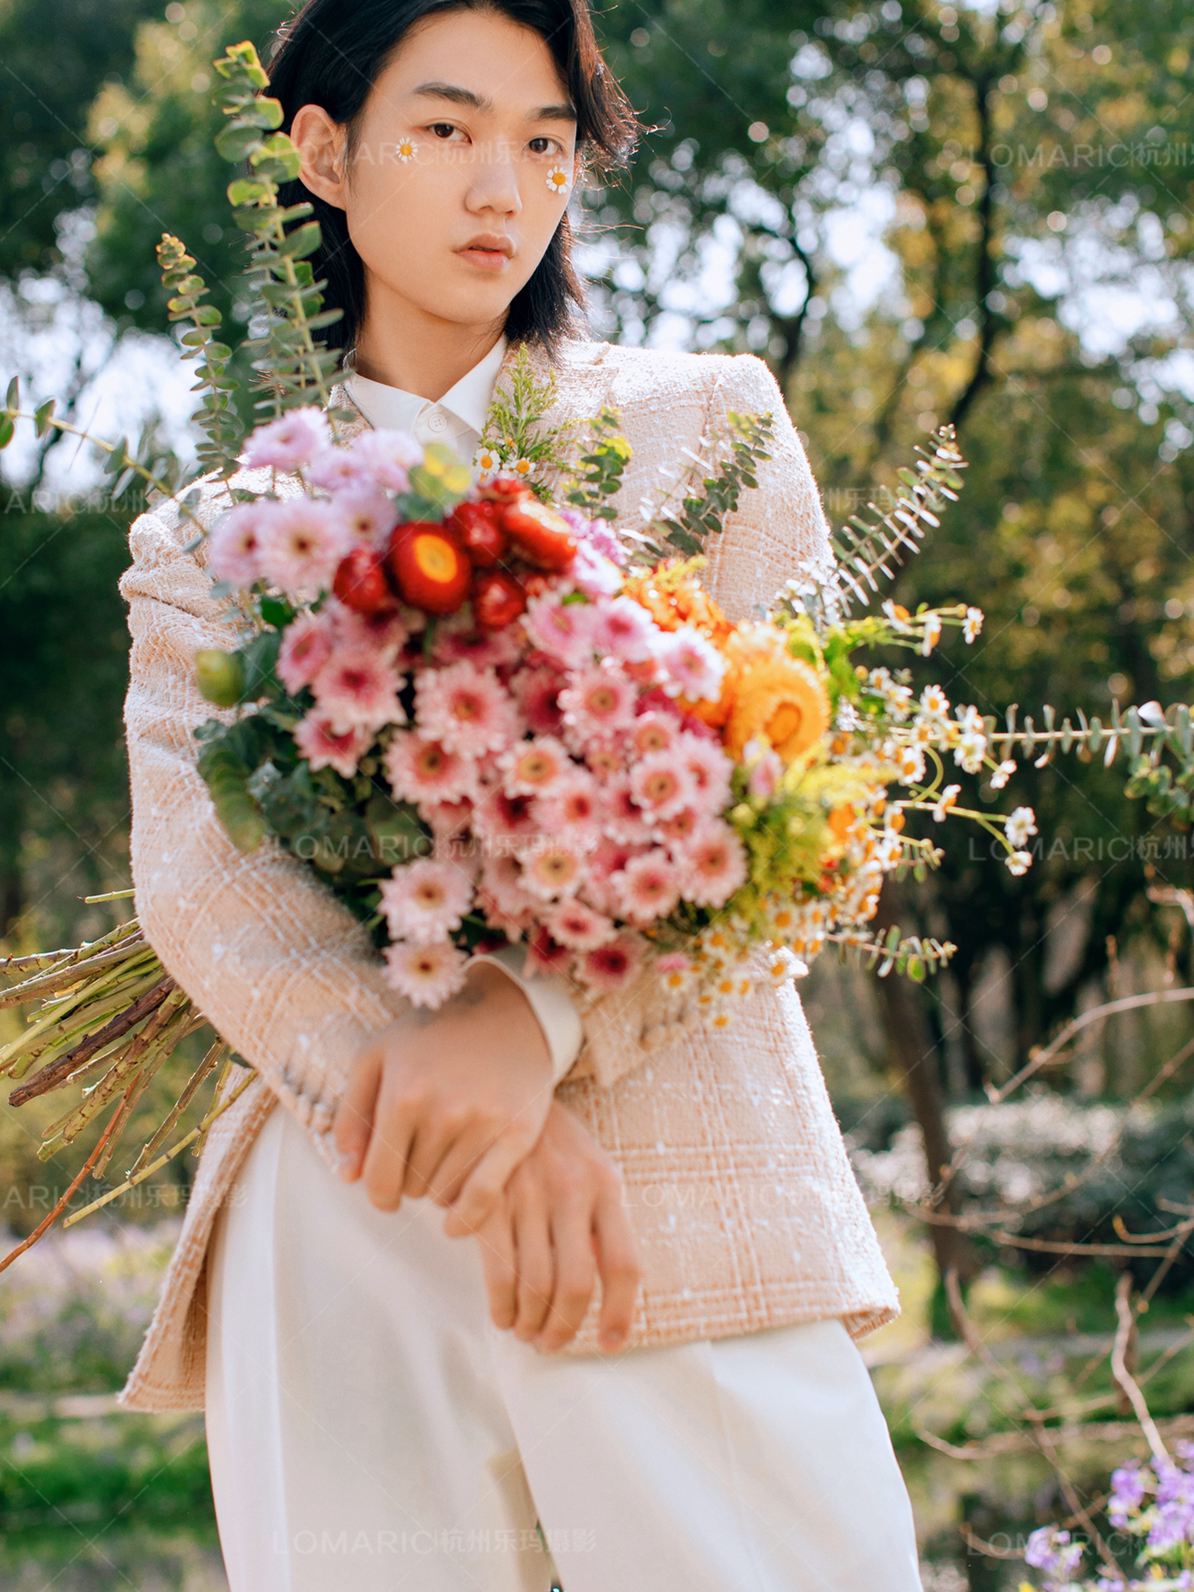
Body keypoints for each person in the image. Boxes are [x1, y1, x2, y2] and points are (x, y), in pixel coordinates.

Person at [116, 1, 925, 1587]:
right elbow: (210, 887)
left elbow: (807, 807)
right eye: (446, 129)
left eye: (543, 143)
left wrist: (529, 1028)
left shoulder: (710, 425)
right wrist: (459, 1110)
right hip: (348, 1203)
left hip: (681, 1191)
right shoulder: (218, 528)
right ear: (323, 152)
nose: (504, 186)